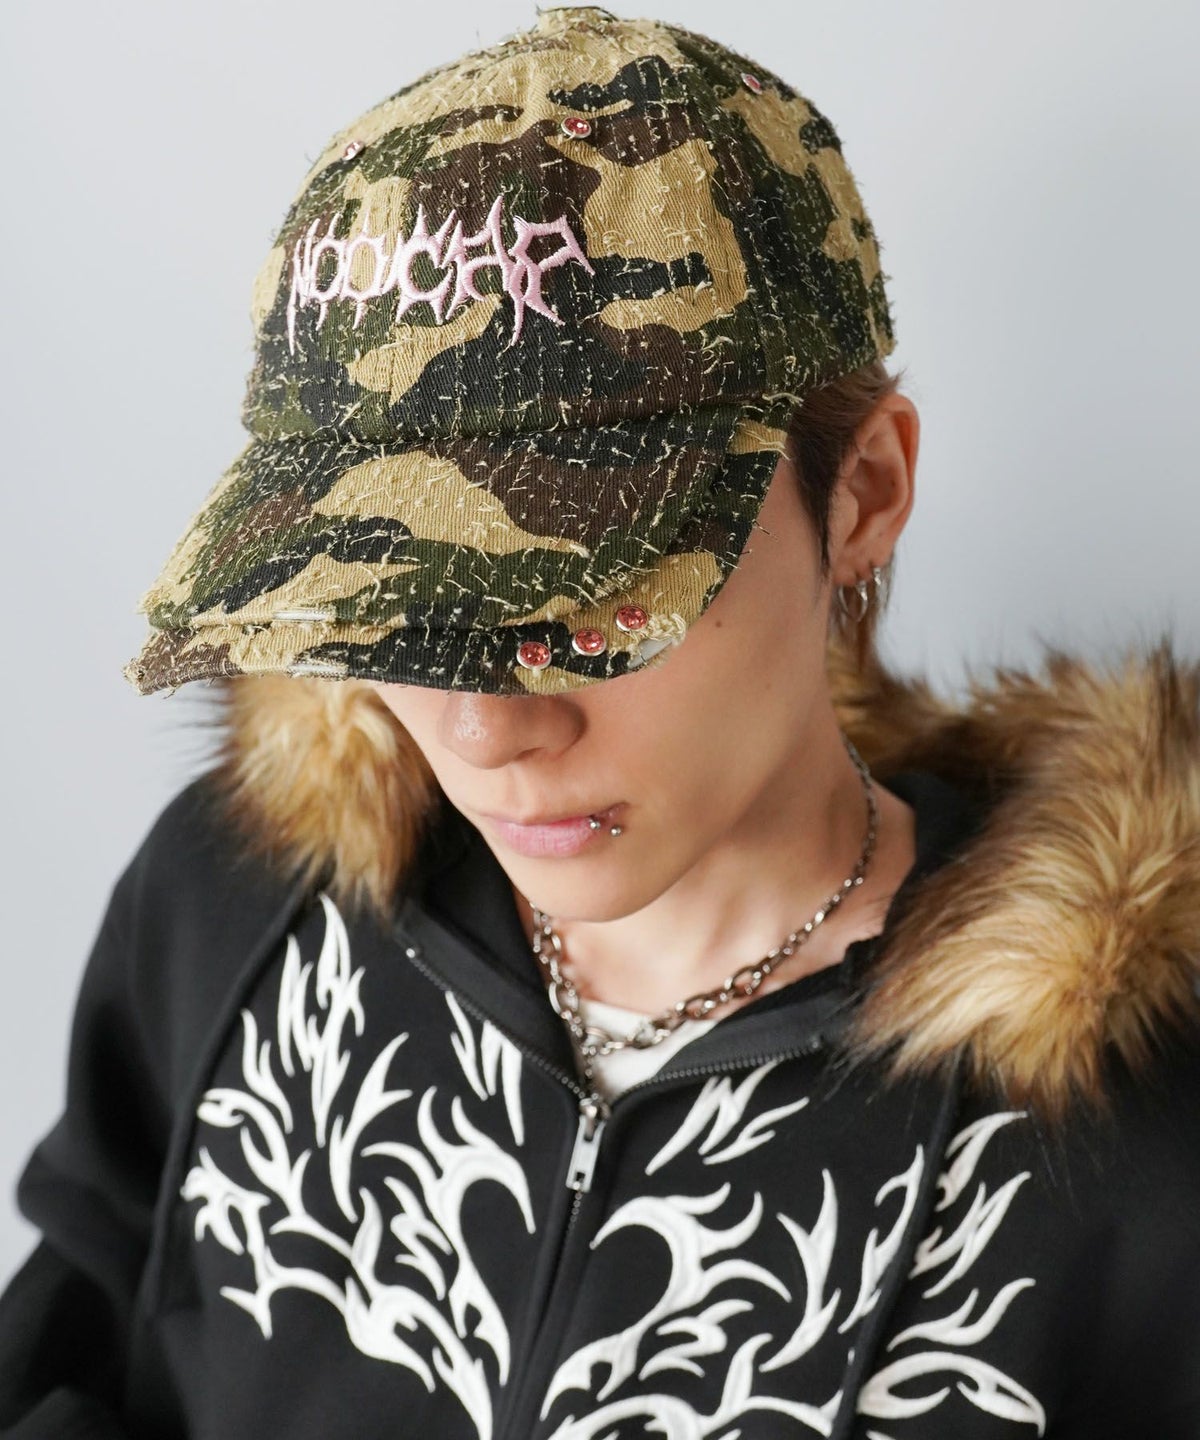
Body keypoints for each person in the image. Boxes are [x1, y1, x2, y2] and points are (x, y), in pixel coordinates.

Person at [2, 7, 1198, 1437]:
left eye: (595, 594)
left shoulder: (1133, 1144)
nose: (485, 729)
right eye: (387, 603)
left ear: (863, 495)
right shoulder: (236, 902)